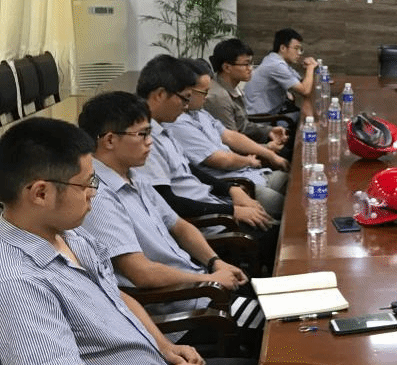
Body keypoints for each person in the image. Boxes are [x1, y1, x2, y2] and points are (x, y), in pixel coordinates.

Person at [0, 118, 350, 365]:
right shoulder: (17, 281)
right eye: (85, 185)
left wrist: (166, 348)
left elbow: (120, 297)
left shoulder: (67, 234)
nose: (93, 194)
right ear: (40, 193)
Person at [76, 92, 262, 332]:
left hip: (199, 286)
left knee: (273, 302)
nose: (150, 142)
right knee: (272, 326)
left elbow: (179, 225)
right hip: (183, 309)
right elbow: (142, 273)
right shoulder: (98, 196)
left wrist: (215, 262)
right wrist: (208, 279)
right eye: (142, 134)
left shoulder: (133, 176)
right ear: (110, 140)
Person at [134, 55, 276, 232]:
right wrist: (232, 210)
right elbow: (167, 202)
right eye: (184, 98)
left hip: (213, 205)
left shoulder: (163, 128)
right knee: (281, 231)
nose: (186, 106)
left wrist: (231, 190)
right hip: (208, 223)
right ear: (161, 95)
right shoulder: (143, 140)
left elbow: (189, 169)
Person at [168, 59, 289, 218]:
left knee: (296, 182)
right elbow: (220, 160)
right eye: (204, 92)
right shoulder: (177, 123)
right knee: (290, 208)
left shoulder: (199, 112)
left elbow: (230, 136)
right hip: (236, 183)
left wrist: (270, 154)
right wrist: (248, 160)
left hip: (251, 173)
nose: (207, 97)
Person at [206, 37, 289, 153]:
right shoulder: (218, 98)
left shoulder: (232, 87)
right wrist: (266, 148)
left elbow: (242, 125)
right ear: (227, 67)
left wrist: (269, 131)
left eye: (251, 63)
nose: (250, 69)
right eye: (246, 64)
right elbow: (231, 143)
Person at [243, 27, 318, 117]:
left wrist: (308, 70)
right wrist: (310, 68)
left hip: (275, 111)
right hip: (262, 118)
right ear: (283, 48)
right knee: (307, 118)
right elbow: (305, 90)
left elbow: (302, 83)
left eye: (300, 49)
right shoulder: (276, 65)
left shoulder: (277, 60)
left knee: (308, 114)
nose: (299, 53)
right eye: (296, 48)